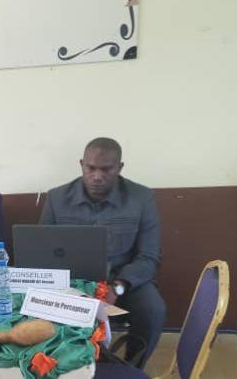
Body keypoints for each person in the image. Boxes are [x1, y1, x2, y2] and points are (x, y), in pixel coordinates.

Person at [39, 137, 165, 369]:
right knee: (36, 306)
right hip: (73, 281)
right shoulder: (57, 198)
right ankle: (61, 365)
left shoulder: (142, 198)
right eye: (91, 168)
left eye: (106, 169)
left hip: (124, 282)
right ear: (81, 165)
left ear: (120, 167)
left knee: (153, 310)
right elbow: (42, 250)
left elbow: (149, 256)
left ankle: (131, 367)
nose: (97, 176)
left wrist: (118, 286)